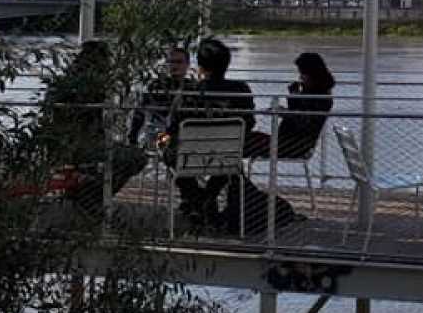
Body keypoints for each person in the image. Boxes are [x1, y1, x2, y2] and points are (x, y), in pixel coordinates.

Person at [37, 40, 147, 208]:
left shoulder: (64, 83)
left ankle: (88, 195)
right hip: (80, 147)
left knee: (121, 158)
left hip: (64, 145)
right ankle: (92, 198)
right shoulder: (87, 87)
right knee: (136, 157)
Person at [173, 37, 256, 224]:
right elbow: (249, 122)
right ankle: (207, 197)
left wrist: (161, 139)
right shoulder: (241, 90)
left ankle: (195, 197)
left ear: (200, 66)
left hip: (190, 156)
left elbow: (174, 126)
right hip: (228, 153)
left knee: (167, 150)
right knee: (230, 158)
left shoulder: (189, 93)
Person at [244, 51, 334, 159]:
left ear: (312, 74)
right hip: (287, 141)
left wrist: (285, 111)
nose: (301, 78)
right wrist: (293, 98)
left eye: (303, 74)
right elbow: (298, 114)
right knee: (245, 138)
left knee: (245, 142)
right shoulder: (313, 93)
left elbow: (305, 122)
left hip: (294, 145)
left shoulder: (321, 98)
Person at [126, 45, 194, 147]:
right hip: (163, 134)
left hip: (186, 135)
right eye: (171, 62)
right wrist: (133, 137)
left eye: (179, 62)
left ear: (187, 64)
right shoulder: (157, 86)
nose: (174, 66)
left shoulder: (193, 87)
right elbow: (141, 110)